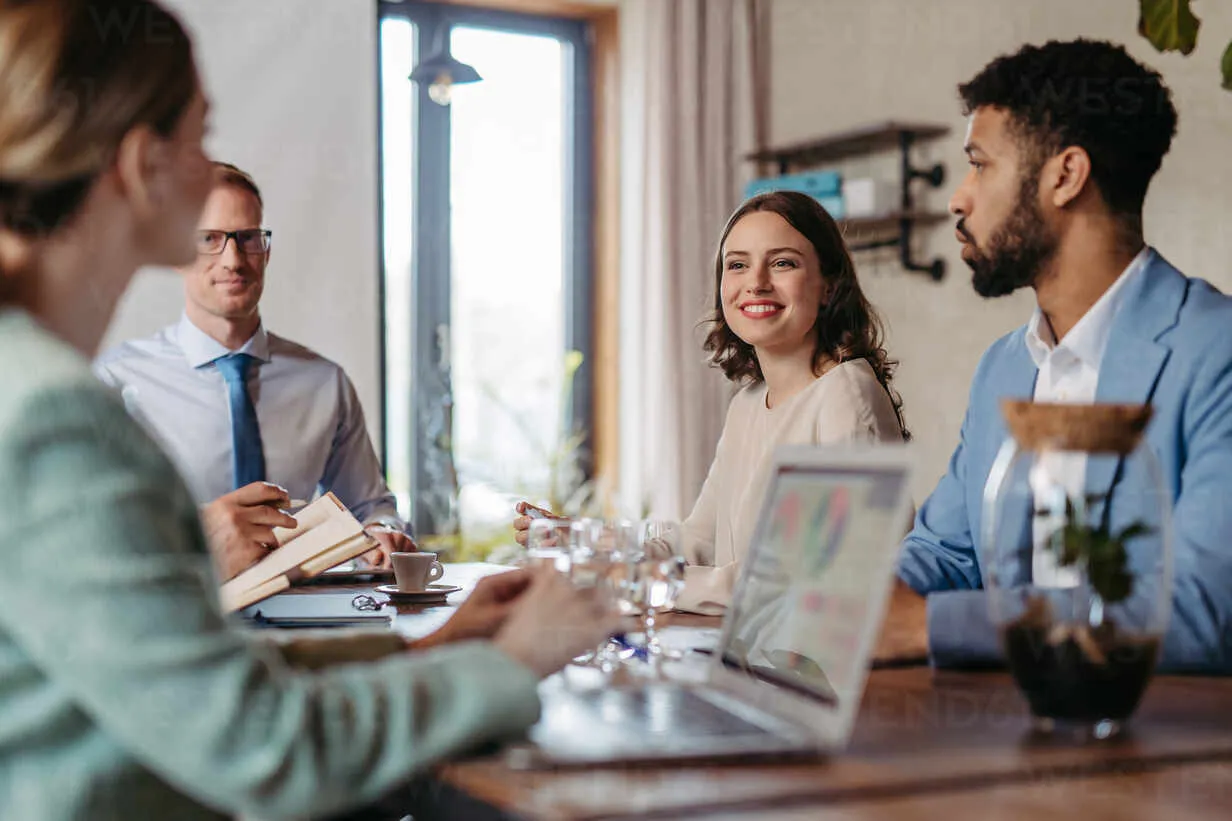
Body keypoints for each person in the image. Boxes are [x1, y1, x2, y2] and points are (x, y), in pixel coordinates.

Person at [0, 3, 616, 820]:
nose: (231, 237)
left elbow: (197, 682)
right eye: (201, 135)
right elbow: (266, 750)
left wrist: (445, 643)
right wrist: (517, 662)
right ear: (144, 162)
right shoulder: (56, 424)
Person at [879, 39, 1232, 674]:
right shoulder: (1003, 367)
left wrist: (926, 626)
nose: (958, 199)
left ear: (1065, 175)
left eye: (980, 165)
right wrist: (849, 600)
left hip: (1162, 746)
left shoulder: (1216, 352)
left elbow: (1202, 611)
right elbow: (948, 551)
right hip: (1000, 731)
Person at [516, 191, 907, 613]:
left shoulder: (845, 396)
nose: (755, 282)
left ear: (829, 286)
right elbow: (698, 540)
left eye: (782, 263)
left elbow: (802, 583)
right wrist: (590, 542)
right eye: (737, 265)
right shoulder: (749, 404)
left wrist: (627, 576)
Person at [94, 161, 410, 579]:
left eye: (248, 239)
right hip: (178, 614)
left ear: (266, 251)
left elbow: (371, 507)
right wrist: (194, 534)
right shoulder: (116, 382)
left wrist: (382, 533)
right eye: (209, 239)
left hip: (311, 617)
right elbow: (95, 530)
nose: (233, 259)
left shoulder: (323, 383)